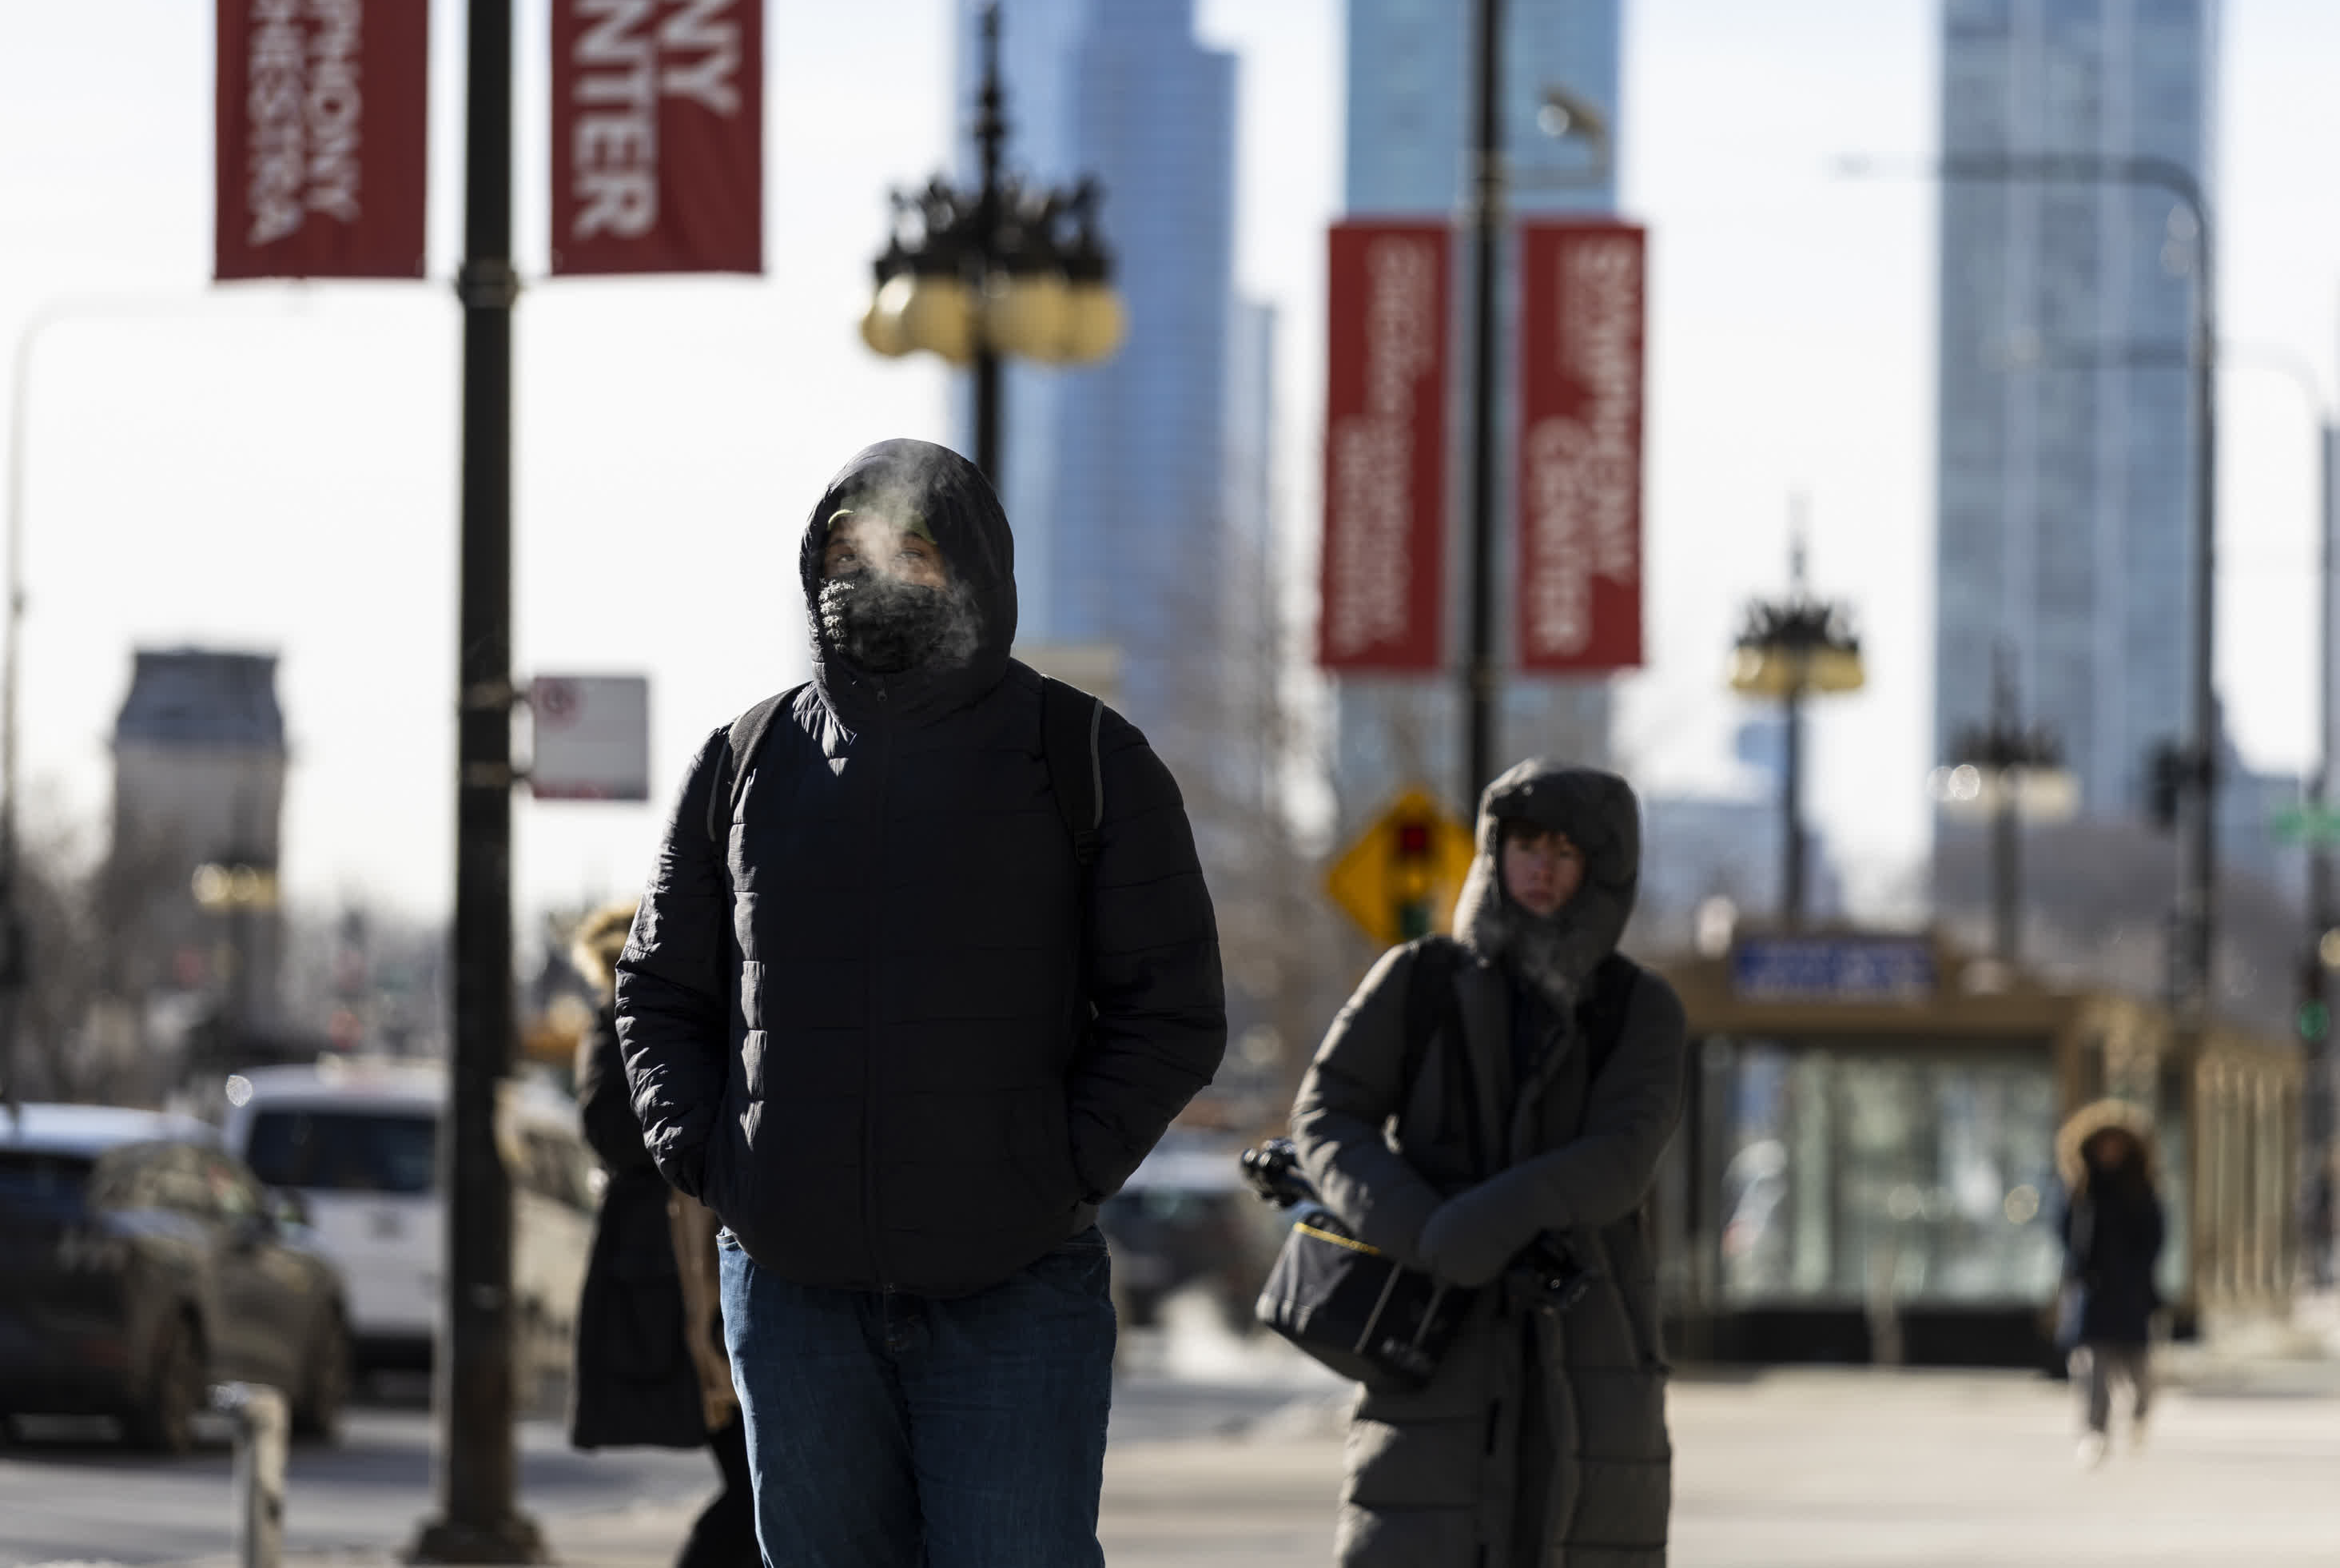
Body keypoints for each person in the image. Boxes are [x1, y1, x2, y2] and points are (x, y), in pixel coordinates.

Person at [615, 438, 1226, 1568]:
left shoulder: (1083, 753)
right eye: (845, 548)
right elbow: (656, 989)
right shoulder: (743, 763)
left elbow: (1174, 1007)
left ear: (974, 571)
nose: (868, 571)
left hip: (1014, 1292)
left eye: (909, 547)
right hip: (796, 1300)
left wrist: (1057, 1170)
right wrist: (714, 1158)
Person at [1291, 758, 1686, 1568]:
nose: (1540, 866)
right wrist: (1424, 1231)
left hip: (1591, 1352)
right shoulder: (1415, 982)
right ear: (1493, 852)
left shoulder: (1639, 1008)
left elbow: (1622, 1156)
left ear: (1602, 869)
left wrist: (1483, 1221)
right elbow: (1328, 1116)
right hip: (1430, 1349)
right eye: (1524, 844)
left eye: (1566, 851)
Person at [568, 899, 758, 1568]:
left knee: (759, 1476)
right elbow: (609, 1127)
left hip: (704, 1253)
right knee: (752, 1475)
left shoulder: (695, 1015)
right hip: (673, 1267)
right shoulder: (623, 1022)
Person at [2056, 1100, 2166, 1467]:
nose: (2110, 1152)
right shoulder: (2082, 1191)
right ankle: (2095, 1432)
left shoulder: (2141, 1190)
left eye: (2116, 1144)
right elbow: (2065, 1236)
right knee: (2092, 1372)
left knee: (2140, 1375)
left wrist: (2140, 1276)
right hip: (2093, 1294)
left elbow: (2155, 1239)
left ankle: (2138, 1417)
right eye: (2104, 1145)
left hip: (2132, 1294)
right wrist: (2078, 1274)